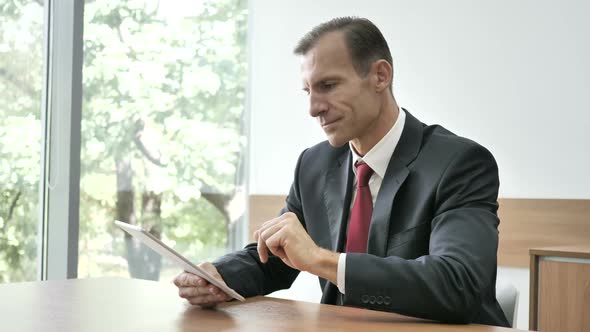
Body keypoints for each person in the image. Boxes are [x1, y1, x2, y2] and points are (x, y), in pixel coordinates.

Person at [174, 17, 510, 327]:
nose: (313, 108)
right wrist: (219, 277)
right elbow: (277, 256)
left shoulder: (460, 163)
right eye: (308, 91)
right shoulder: (314, 164)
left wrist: (322, 260)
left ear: (380, 75)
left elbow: (458, 284)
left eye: (329, 85)